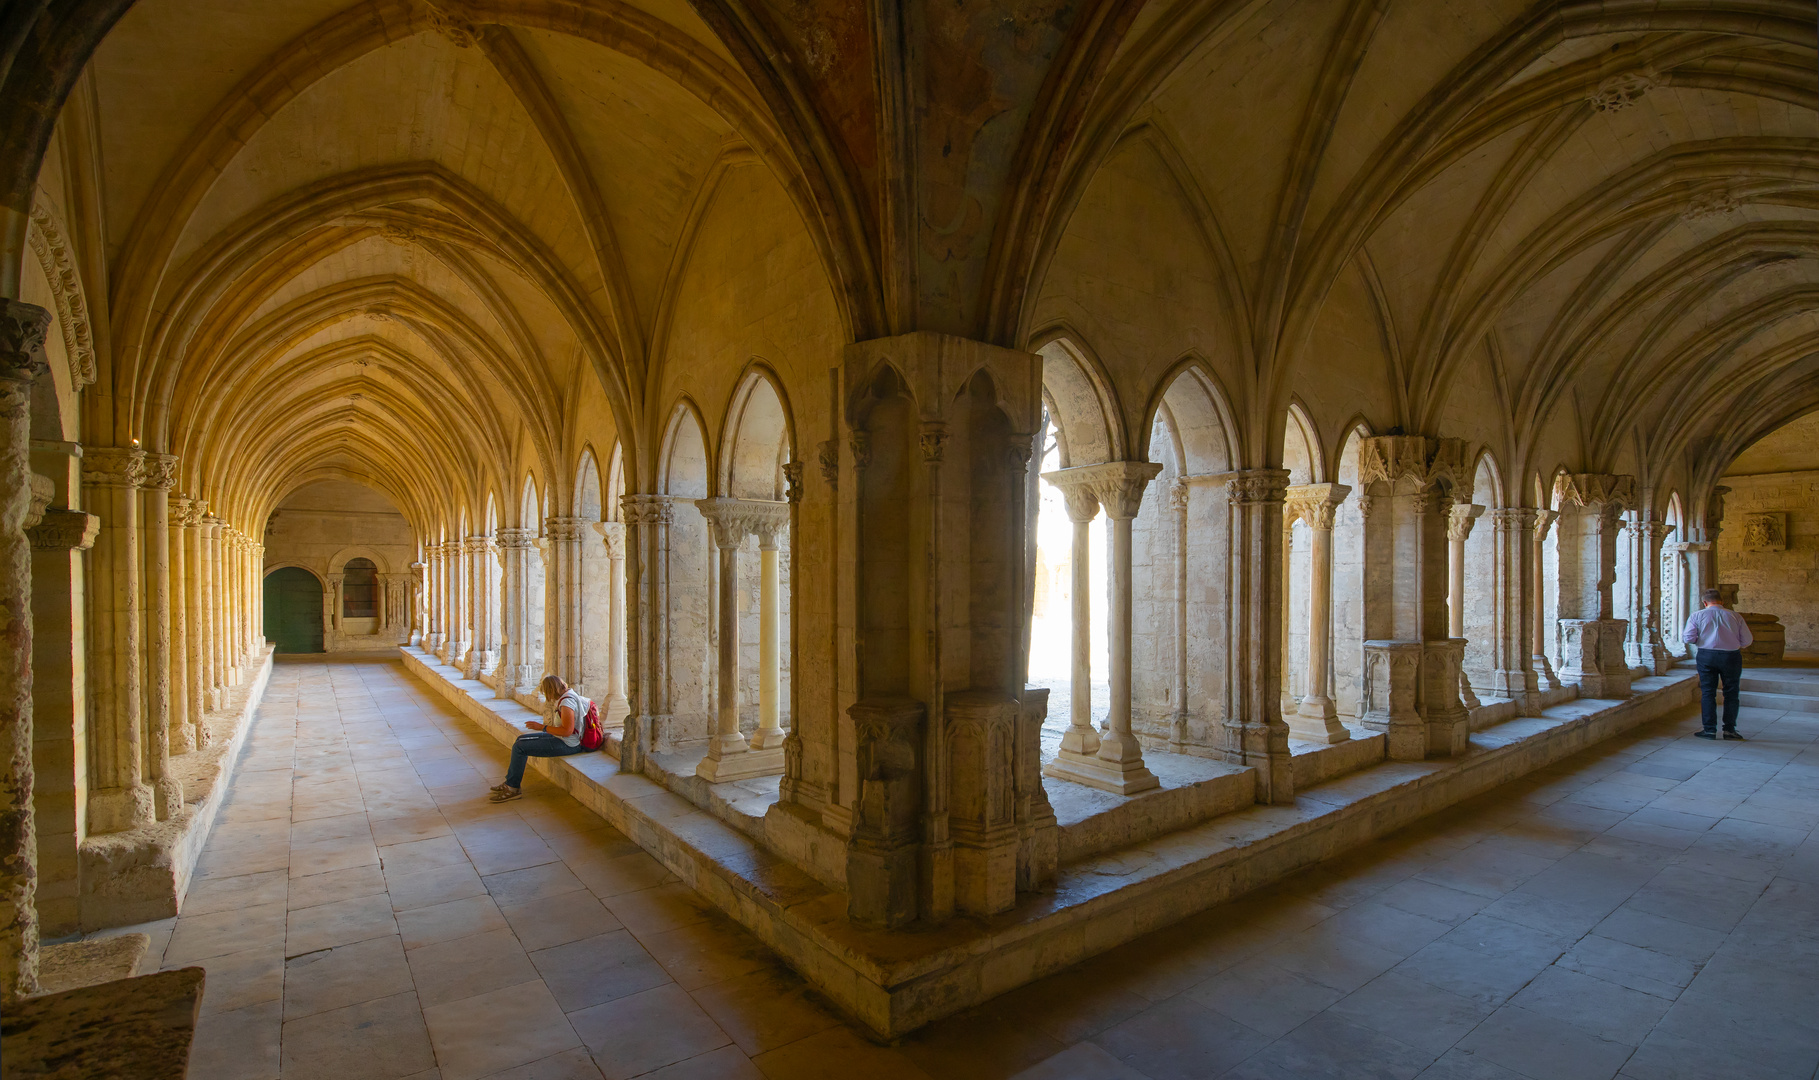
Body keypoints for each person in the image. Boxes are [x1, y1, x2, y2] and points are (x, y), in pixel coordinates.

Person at [490, 675, 590, 802]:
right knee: (520, 739)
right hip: (562, 739)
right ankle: (510, 782)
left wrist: (542, 727)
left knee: (519, 747)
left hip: (569, 744)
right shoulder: (568, 694)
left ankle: (513, 788)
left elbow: (567, 731)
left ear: (551, 690)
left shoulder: (567, 702)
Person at [1681, 589, 1753, 740]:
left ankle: (1709, 730)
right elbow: (1747, 641)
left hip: (1706, 656)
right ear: (1722, 602)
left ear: (1705, 602)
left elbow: (1688, 638)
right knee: (1731, 692)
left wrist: (1700, 640)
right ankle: (1729, 730)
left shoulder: (1697, 615)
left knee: (1708, 692)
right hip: (1731, 656)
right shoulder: (1735, 615)